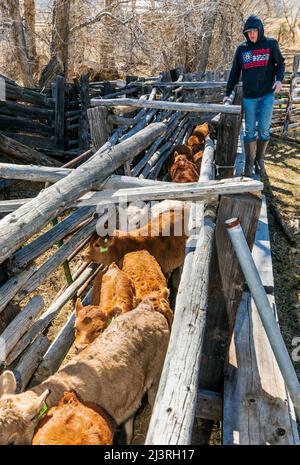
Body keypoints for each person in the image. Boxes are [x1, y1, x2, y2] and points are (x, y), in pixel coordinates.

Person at [223, 15, 285, 175]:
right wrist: (228, 92)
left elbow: (281, 63)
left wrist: (279, 80)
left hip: (267, 95)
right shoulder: (242, 49)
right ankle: (249, 165)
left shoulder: (271, 44)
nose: (252, 34)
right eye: (248, 32)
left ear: (260, 30)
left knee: (264, 130)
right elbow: (235, 73)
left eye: (254, 31)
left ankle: (259, 160)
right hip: (249, 97)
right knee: (249, 131)